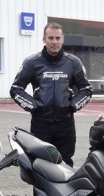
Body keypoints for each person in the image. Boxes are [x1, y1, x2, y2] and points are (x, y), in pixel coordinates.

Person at [10, 22, 92, 166]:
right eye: (51, 38)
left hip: (65, 125)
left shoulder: (73, 62)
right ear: (44, 39)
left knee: (65, 164)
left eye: (57, 38)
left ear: (63, 39)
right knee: (40, 164)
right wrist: (34, 107)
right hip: (40, 124)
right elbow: (16, 88)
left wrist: (72, 106)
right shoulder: (32, 62)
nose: (54, 42)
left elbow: (86, 89)